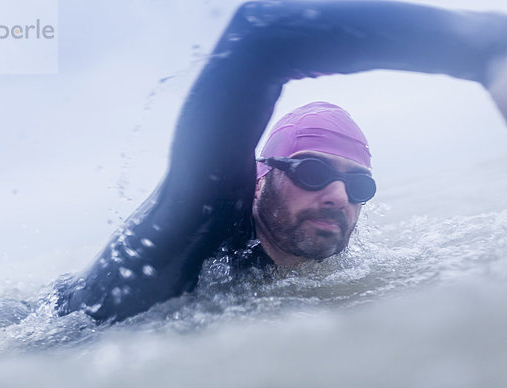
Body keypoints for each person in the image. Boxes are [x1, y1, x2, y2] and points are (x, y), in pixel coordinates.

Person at [56, 1, 507, 322]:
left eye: (359, 186)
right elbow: (259, 33)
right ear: (259, 178)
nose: (337, 196)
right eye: (313, 172)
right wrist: (484, 45)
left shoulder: (315, 270)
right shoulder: (193, 227)